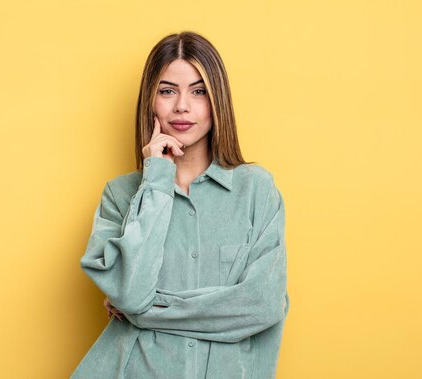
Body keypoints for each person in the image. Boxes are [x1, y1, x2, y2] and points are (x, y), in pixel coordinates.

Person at [71, 31, 289, 379]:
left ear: (218, 100)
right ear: (150, 100)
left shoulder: (256, 190)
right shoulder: (119, 195)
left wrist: (144, 312)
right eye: (167, 90)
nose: (182, 106)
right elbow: (130, 291)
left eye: (199, 91)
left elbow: (263, 305)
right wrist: (157, 179)